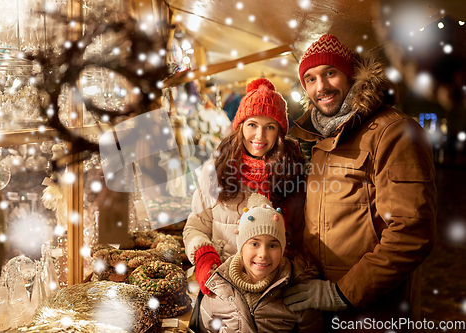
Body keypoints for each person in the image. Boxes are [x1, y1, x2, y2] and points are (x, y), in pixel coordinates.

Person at [284, 34, 437, 328]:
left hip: (377, 311)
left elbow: (411, 232)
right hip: (324, 310)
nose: (322, 87)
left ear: (352, 74)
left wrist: (341, 293)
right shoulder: (319, 138)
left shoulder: (395, 132)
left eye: (330, 73)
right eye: (311, 79)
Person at [183, 78, 305, 295]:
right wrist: (204, 257)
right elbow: (195, 227)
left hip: (274, 290)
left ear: (279, 132)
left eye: (269, 126)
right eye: (252, 125)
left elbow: (299, 234)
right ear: (240, 126)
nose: (259, 136)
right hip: (223, 283)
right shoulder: (216, 170)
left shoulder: (292, 173)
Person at [195, 193, 323, 333]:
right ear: (241, 247)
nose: (263, 254)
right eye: (254, 243)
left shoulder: (298, 294)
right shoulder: (217, 291)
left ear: (282, 249)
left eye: (273, 245)